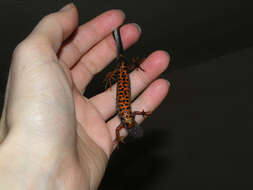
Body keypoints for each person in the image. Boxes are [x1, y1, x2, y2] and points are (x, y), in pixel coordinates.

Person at [0, 3, 170, 189]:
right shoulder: (126, 121)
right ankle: (117, 42)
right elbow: (127, 120)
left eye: (133, 127)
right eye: (133, 126)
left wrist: (135, 120)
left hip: (123, 88)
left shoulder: (127, 120)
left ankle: (118, 43)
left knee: (123, 68)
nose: (133, 126)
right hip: (124, 86)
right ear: (132, 126)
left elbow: (124, 123)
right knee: (123, 67)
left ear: (133, 126)